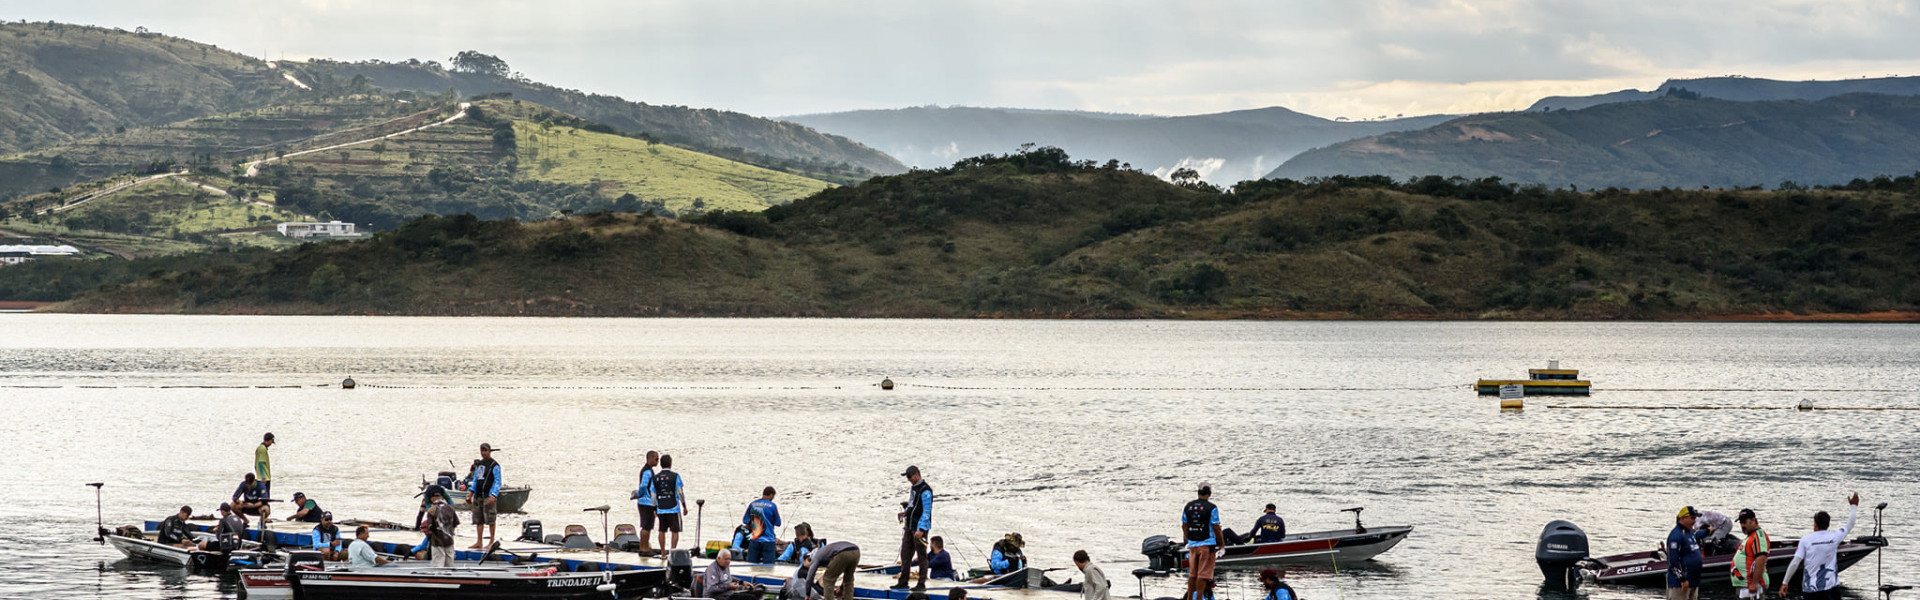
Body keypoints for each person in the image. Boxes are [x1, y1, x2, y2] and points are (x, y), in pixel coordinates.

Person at [1781, 493, 1861, 600]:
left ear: (1815, 524)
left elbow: (1795, 562)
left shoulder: (1806, 540)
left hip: (1811, 589)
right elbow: (1850, 525)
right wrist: (1854, 507)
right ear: (1828, 524)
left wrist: (1785, 582)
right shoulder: (1834, 536)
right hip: (1831, 589)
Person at [894, 465, 933, 591]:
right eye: (907, 477)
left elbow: (926, 511)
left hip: (919, 529)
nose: (909, 479)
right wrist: (905, 512)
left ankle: (921, 583)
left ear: (917, 474)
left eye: (910, 477)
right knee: (905, 554)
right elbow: (911, 505)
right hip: (909, 527)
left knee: (921, 556)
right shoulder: (914, 488)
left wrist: (921, 529)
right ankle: (903, 581)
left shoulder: (926, 490)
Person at [1182, 484, 1223, 600]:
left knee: (1193, 574)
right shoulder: (1212, 507)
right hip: (1207, 544)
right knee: (1203, 574)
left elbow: (1184, 525)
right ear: (1209, 494)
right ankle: (1199, 598)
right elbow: (1216, 527)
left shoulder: (1188, 506)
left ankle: (1190, 597)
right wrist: (1221, 544)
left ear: (1198, 493)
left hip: (1193, 544)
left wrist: (1189, 538)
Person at [465, 443, 502, 550]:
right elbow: (476, 480)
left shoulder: (494, 465)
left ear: (490, 451)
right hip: (478, 495)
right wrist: (471, 493)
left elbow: (497, 481)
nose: (483, 453)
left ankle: (491, 541)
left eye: (485, 450)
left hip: (488, 495)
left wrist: (493, 494)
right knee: (478, 519)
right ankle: (479, 541)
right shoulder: (480, 465)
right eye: (482, 451)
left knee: (491, 519)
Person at [1667, 506, 1705, 600]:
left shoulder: (1690, 533)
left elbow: (1698, 534)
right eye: (1692, 518)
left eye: (1695, 518)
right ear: (1683, 518)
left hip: (1694, 581)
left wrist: (1709, 530)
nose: (1695, 521)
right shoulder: (1676, 535)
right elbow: (1672, 561)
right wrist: (1682, 580)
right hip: (1680, 584)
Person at [1732, 508, 1769, 599]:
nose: (1742, 525)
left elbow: (1761, 559)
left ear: (1754, 520)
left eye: (1744, 522)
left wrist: (1754, 583)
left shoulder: (1758, 536)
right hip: (1745, 585)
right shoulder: (1750, 536)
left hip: (1751, 586)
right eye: (1741, 523)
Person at [653, 454, 686, 550]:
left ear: (660, 464)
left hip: (661, 508)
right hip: (673, 508)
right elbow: (680, 492)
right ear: (670, 464)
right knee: (675, 531)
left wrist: (655, 508)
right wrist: (684, 506)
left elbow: (653, 495)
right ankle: (673, 551)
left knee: (661, 530)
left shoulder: (655, 478)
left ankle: (663, 553)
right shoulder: (675, 476)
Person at [423, 486, 460, 567]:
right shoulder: (450, 508)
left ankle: (439, 578)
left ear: (431, 498)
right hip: (450, 540)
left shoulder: (431, 511)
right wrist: (450, 532)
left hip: (437, 542)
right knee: (450, 561)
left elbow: (429, 527)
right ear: (442, 497)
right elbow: (456, 523)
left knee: (438, 562)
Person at [745, 486, 784, 563]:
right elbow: (778, 523)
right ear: (771, 495)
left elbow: (745, 520)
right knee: (768, 567)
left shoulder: (753, 504)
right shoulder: (772, 506)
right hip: (768, 540)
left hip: (755, 539)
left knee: (751, 566)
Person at [635, 451, 660, 555]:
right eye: (656, 459)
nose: (657, 461)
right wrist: (639, 494)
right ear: (649, 459)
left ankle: (643, 547)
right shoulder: (647, 471)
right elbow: (643, 485)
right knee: (647, 526)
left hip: (645, 502)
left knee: (646, 526)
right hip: (646, 502)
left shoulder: (648, 470)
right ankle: (644, 548)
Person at [255, 433, 274, 498]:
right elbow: (260, 463)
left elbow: (255, 465)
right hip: (264, 478)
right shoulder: (262, 449)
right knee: (265, 498)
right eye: (271, 442)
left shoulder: (261, 448)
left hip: (260, 478)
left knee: (263, 497)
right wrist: (263, 477)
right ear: (270, 440)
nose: (271, 444)